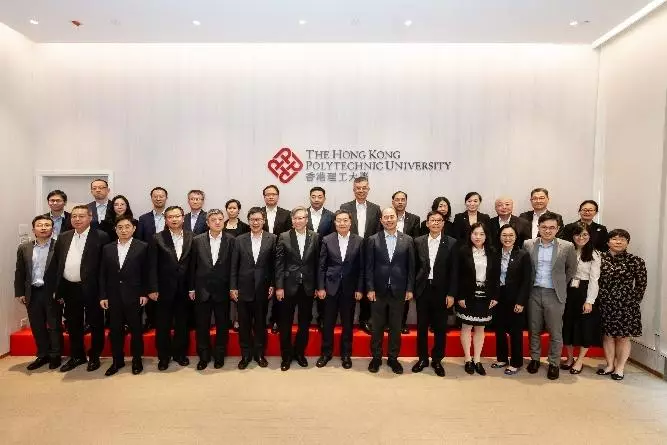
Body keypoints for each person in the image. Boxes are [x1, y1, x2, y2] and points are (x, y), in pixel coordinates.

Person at [48, 205, 109, 372]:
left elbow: (105, 267)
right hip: (70, 288)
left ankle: (94, 355)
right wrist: (57, 289)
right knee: (73, 323)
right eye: (74, 216)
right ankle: (77, 356)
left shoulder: (101, 236)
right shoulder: (64, 237)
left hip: (92, 288)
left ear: (90, 217)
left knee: (95, 323)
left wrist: (104, 292)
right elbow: (57, 264)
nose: (77, 219)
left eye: (81, 216)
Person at [524, 212, 577, 380]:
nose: (548, 231)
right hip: (533, 292)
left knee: (555, 331)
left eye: (552, 227)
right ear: (538, 227)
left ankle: (554, 363)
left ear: (558, 229)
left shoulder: (567, 246)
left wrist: (559, 283)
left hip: (554, 294)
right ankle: (535, 359)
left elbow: (571, 269)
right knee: (534, 329)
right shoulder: (528, 244)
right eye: (544, 227)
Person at [366, 207, 415, 375]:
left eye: (391, 217)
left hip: (399, 291)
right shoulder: (373, 240)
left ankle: (393, 358)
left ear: (397, 219)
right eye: (385, 217)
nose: (389, 220)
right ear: (381, 220)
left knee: (396, 327)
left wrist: (409, 288)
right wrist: (370, 288)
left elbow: (411, 267)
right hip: (378, 291)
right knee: (377, 327)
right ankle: (376, 357)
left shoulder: (407, 240)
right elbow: (369, 267)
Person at [99, 215, 149, 376]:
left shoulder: (143, 246)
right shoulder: (107, 248)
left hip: (135, 295)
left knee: (136, 330)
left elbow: (146, 272)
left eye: (127, 227)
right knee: (115, 331)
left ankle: (137, 360)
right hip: (113, 296)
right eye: (120, 227)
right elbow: (102, 274)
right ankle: (117, 361)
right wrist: (103, 296)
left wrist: (144, 293)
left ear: (134, 229)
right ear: (115, 229)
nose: (124, 230)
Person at [315, 209, 365, 369]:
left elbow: (362, 268)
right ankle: (326, 353)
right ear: (335, 223)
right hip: (330, 288)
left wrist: (360, 289)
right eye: (339, 220)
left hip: (350, 289)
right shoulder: (327, 240)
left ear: (350, 222)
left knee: (348, 324)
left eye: (345, 220)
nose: (342, 223)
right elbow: (321, 266)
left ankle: (346, 355)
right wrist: (320, 287)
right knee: (327, 323)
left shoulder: (359, 241)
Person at [411, 211, 458, 377]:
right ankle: (422, 358)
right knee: (422, 327)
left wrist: (451, 294)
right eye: (433, 220)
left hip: (442, 292)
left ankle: (437, 360)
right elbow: (414, 267)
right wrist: (413, 288)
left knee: (440, 327)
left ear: (443, 223)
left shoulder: (451, 242)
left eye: (439, 220)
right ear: (427, 223)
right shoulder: (418, 241)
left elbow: (454, 271)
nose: (436, 223)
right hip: (423, 289)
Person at [596, 229, 647, 381]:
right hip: (604, 303)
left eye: (622, 239)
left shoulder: (635, 261)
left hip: (626, 305)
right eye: (614, 238)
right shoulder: (599, 258)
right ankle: (609, 365)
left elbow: (641, 284)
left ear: (627, 243)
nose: (618, 241)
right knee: (607, 336)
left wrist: (633, 301)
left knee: (623, 337)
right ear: (608, 242)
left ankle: (620, 368)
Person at [230, 207, 277, 369]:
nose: (255, 222)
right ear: (248, 221)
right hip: (243, 289)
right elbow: (234, 266)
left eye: (258, 220)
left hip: (263, 288)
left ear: (263, 221)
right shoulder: (239, 240)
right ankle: (245, 355)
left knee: (260, 324)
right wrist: (233, 287)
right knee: (244, 325)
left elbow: (274, 265)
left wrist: (272, 284)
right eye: (252, 220)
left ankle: (259, 354)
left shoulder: (272, 238)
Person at [147, 205, 193, 371]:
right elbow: (151, 265)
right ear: (166, 220)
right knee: (163, 325)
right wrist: (152, 288)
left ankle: (180, 354)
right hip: (163, 289)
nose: (174, 219)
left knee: (182, 324)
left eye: (177, 216)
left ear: (183, 218)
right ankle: (164, 357)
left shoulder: (191, 237)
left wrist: (192, 287)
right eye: (170, 217)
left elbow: (193, 265)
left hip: (184, 289)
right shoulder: (157, 238)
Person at [275, 207, 320, 371]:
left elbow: (317, 264)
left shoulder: (315, 236)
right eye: (295, 218)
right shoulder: (284, 236)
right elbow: (279, 264)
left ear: (306, 220)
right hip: (288, 286)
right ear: (292, 220)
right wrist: (279, 287)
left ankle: (300, 353)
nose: (298, 221)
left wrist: (318, 286)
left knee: (304, 323)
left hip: (307, 287)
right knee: (285, 323)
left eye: (301, 218)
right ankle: (286, 356)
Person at [189, 209, 235, 370]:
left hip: (223, 290)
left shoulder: (231, 240)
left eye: (220, 219)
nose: (217, 222)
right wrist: (191, 288)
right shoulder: (197, 240)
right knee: (202, 325)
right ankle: (204, 356)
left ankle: (219, 355)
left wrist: (233, 287)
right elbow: (192, 266)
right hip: (202, 289)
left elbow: (233, 267)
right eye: (213, 219)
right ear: (207, 223)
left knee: (222, 325)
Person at [14, 215, 62, 370]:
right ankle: (42, 354)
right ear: (33, 229)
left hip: (51, 292)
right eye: (39, 225)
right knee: (37, 325)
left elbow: (62, 272)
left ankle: (55, 355)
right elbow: (20, 272)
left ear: (52, 229)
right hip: (32, 292)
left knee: (54, 325)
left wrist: (61, 292)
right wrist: (20, 292)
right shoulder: (24, 248)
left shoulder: (59, 246)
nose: (43, 228)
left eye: (47, 225)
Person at [456, 222, 500, 376]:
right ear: (470, 235)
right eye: (475, 233)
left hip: (485, 295)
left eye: (481, 234)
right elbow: (457, 275)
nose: (478, 237)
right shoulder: (463, 251)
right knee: (466, 327)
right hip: (467, 295)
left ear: (486, 236)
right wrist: (460, 295)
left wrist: (495, 295)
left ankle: (477, 359)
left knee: (481, 328)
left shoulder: (493, 252)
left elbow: (496, 276)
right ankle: (468, 359)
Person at [340, 176, 382, 334]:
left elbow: (378, 231)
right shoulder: (345, 207)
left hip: (370, 252)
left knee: (368, 283)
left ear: (368, 189)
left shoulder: (376, 208)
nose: (361, 190)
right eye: (358, 188)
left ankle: (365, 319)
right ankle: (348, 319)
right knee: (350, 283)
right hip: (350, 251)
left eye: (364, 188)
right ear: (353, 189)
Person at [560, 222, 602, 374]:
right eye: (578, 234)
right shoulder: (567, 250)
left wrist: (589, 301)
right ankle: (570, 358)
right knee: (567, 326)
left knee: (585, 327)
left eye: (585, 234)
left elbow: (594, 280)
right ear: (573, 236)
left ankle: (580, 360)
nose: (581, 237)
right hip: (568, 291)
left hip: (585, 291)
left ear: (590, 236)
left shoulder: (594, 254)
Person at [492, 224, 532, 375]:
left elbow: (526, 280)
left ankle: (516, 362)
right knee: (500, 330)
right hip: (499, 297)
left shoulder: (523, 254)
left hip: (516, 297)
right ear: (499, 237)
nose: (507, 238)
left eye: (510, 235)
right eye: (504, 235)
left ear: (516, 238)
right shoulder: (495, 253)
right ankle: (502, 359)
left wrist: (521, 301)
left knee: (515, 332)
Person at [261, 184, 292, 334]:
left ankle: (275, 320)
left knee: (279, 289)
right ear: (264, 197)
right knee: (263, 289)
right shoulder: (258, 213)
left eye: (273, 194)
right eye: (268, 194)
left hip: (281, 257)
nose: (271, 196)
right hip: (262, 257)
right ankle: (261, 320)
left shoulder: (286, 214)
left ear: (278, 196)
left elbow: (288, 236)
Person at [137, 186, 168, 331]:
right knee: (151, 289)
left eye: (161, 196)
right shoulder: (143, 219)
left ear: (166, 198)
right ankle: (151, 320)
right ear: (151, 198)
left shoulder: (173, 216)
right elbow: (140, 240)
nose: (158, 198)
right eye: (155, 196)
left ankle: (168, 320)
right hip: (150, 260)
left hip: (169, 260)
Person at [306, 187, 335, 332]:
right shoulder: (302, 215)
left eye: (319, 196)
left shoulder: (331, 216)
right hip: (306, 259)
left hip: (325, 259)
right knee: (307, 289)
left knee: (323, 289)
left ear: (324, 198)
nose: (316, 199)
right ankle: (306, 318)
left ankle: (322, 318)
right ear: (309, 197)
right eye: (313, 196)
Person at [392, 190, 421, 334]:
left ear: (406, 201)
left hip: (405, 261)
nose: (400, 202)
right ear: (393, 202)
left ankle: (402, 323)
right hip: (388, 259)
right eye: (397, 199)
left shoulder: (414, 219)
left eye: (402, 199)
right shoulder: (387, 216)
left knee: (404, 294)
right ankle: (388, 323)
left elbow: (416, 241)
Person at [222, 198, 249, 332]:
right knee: (223, 293)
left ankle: (238, 320)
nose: (232, 210)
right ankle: (225, 319)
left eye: (234, 208)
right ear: (226, 210)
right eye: (229, 208)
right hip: (223, 263)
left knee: (238, 294)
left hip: (239, 263)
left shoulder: (245, 226)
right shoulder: (221, 225)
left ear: (239, 210)